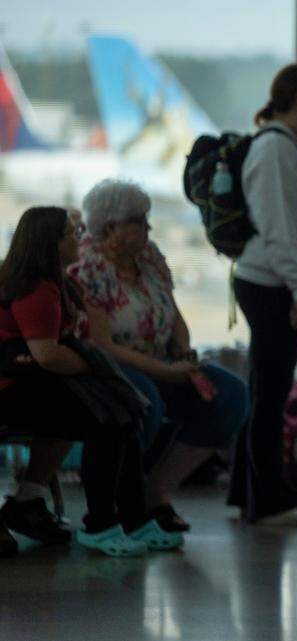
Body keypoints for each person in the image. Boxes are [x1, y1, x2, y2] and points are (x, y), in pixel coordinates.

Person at [0, 206, 183, 556]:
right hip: (11, 390)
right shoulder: (34, 288)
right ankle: (100, 525)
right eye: (72, 233)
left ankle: (134, 519)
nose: (81, 238)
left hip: (31, 383)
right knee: (107, 420)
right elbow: (47, 355)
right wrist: (90, 365)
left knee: (124, 414)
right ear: (51, 244)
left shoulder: (57, 283)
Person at [69, 179, 249, 533]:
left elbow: (173, 312)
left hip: (162, 361)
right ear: (111, 227)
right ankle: (121, 503)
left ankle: (158, 492)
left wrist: (181, 347)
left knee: (230, 395)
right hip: (111, 367)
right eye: (139, 221)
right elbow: (102, 345)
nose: (148, 227)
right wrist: (165, 372)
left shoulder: (148, 257)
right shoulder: (88, 268)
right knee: (143, 401)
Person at [228, 63, 297, 526]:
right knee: (272, 393)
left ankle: (246, 490)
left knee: (264, 389)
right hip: (272, 283)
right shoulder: (274, 149)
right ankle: (271, 499)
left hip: (279, 281)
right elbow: (278, 228)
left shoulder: (288, 148)